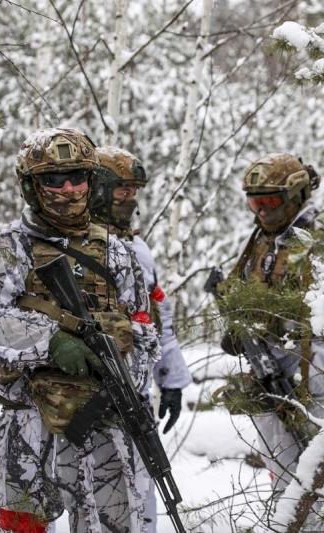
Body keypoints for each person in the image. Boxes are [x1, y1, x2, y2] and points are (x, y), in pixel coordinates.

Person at [0, 128, 159, 533]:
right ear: (33, 187)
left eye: (76, 178)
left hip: (105, 426)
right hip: (28, 424)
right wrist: (52, 340)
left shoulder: (118, 252)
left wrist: (123, 366)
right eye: (53, 180)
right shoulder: (8, 248)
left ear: (91, 181)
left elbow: (145, 333)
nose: (67, 189)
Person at [207, 153, 324, 530]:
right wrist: (241, 331)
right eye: (255, 202)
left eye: (270, 201)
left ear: (296, 195)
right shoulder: (265, 240)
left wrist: (315, 375)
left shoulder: (320, 238)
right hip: (269, 369)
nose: (262, 211)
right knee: (283, 471)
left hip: (309, 374)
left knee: (308, 475)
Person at [89, 146, 193, 533]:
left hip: (133, 396)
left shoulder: (138, 249)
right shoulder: (72, 243)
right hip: (82, 396)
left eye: (133, 190)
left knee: (138, 495)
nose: (128, 198)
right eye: (121, 189)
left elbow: (157, 320)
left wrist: (170, 381)